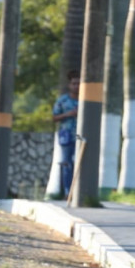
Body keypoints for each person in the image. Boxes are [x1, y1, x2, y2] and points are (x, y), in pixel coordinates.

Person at [51, 70, 81, 198]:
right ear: (70, 85)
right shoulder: (63, 100)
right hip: (66, 135)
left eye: (79, 84)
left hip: (80, 136)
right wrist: (69, 114)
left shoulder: (85, 100)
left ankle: (79, 191)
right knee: (66, 163)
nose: (76, 86)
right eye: (74, 83)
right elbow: (54, 117)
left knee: (79, 162)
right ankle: (68, 192)